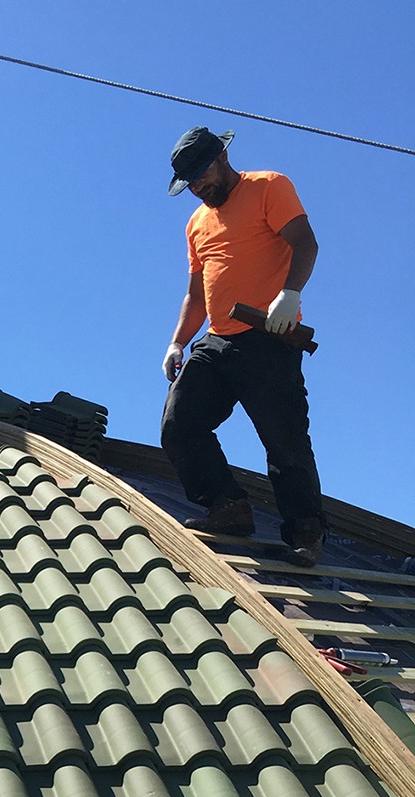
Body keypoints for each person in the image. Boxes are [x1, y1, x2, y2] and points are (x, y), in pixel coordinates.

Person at [159, 126, 325, 566]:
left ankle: (305, 533)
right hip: (217, 340)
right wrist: (178, 342)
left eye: (202, 176)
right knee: (179, 425)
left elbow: (305, 243)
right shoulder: (196, 223)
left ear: (222, 159)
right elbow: (196, 291)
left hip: (269, 339)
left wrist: (289, 295)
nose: (198, 188)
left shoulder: (269, 186)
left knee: (284, 441)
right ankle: (228, 507)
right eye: (191, 183)